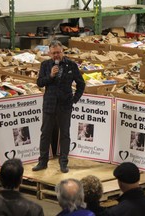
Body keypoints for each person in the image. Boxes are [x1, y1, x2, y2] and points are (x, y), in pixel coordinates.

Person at [32, 40, 85, 173]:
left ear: (63, 51)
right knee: (45, 134)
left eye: (58, 52)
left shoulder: (71, 65)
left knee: (65, 134)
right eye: (53, 53)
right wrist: (50, 75)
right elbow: (40, 83)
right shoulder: (45, 65)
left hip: (65, 105)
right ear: (50, 53)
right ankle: (42, 162)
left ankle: (63, 163)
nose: (56, 55)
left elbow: (81, 84)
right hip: (49, 105)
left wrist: (74, 99)